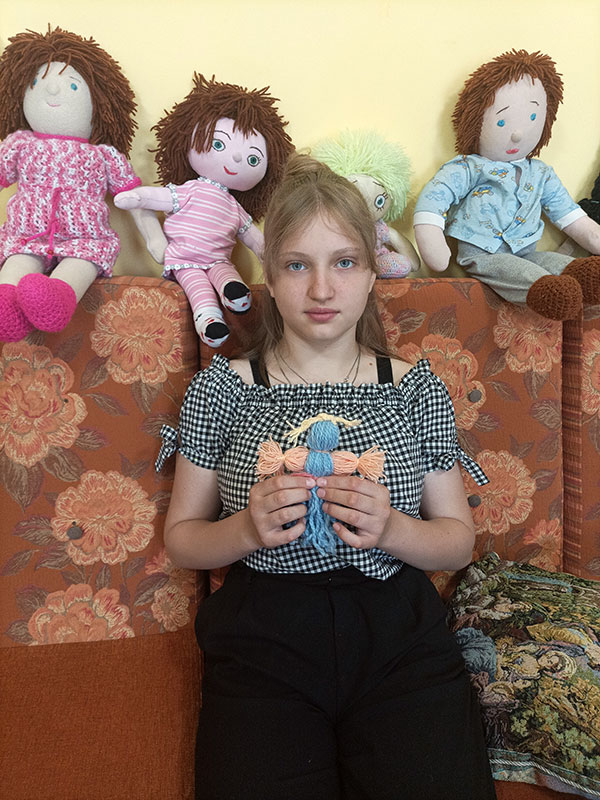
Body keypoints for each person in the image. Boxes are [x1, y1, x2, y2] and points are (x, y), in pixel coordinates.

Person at [157, 153, 497, 800]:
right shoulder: (220, 390)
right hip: (263, 642)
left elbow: (456, 541)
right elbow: (183, 539)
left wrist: (392, 528)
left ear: (371, 274)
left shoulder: (416, 389)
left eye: (343, 262)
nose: (321, 289)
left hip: (398, 638)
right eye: (297, 265)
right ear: (268, 275)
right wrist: (246, 528)